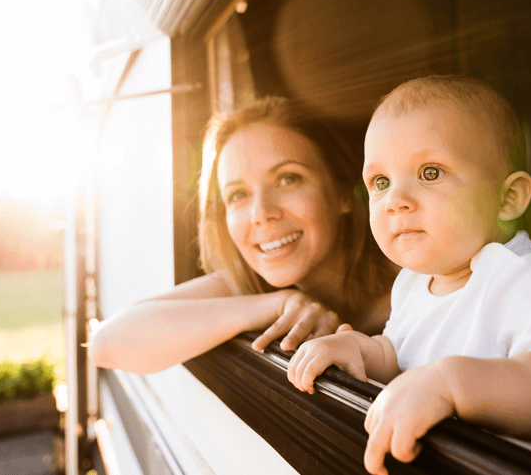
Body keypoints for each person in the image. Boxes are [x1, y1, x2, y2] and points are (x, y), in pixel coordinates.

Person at [287, 76, 531, 474]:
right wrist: (360, 351)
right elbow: (400, 357)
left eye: (429, 173)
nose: (395, 201)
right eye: (380, 182)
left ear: (507, 199)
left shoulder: (522, 275)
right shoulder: (412, 282)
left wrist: (453, 385)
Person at [88, 96, 397, 374]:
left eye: (288, 179)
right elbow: (107, 344)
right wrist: (278, 304)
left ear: (343, 192)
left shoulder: (419, 284)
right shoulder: (249, 283)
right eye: (238, 195)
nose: (261, 213)